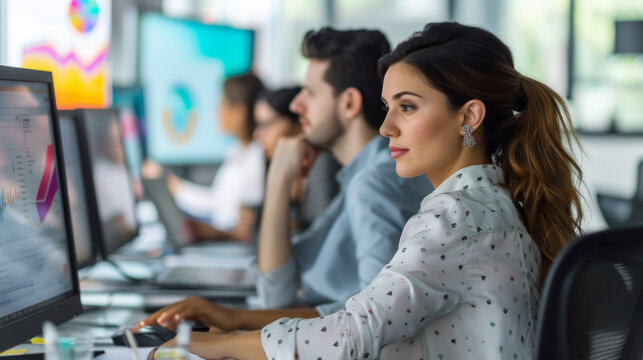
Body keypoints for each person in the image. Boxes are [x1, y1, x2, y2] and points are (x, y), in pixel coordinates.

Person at [142, 22, 585, 359]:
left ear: (468, 116)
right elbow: (369, 308)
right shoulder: (487, 203)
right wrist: (235, 324)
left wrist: (212, 345)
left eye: (407, 107)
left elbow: (354, 333)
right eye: (388, 107)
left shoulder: (454, 217)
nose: (387, 126)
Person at [140, 26, 432, 329]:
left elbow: (376, 322)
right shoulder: (359, 176)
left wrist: (278, 180)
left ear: (348, 103)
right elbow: (279, 285)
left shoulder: (372, 183)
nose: (296, 105)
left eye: (310, 93)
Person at [143, 73, 266, 244]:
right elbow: (220, 202)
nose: (216, 110)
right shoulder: (239, 151)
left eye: (222, 103)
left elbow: (239, 227)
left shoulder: (255, 160)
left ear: (239, 113)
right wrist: (174, 186)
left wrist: (173, 186)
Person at [253, 86, 341, 233]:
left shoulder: (322, 163)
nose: (257, 134)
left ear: (299, 124)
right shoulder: (272, 164)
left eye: (266, 124)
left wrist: (288, 197)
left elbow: (320, 239)